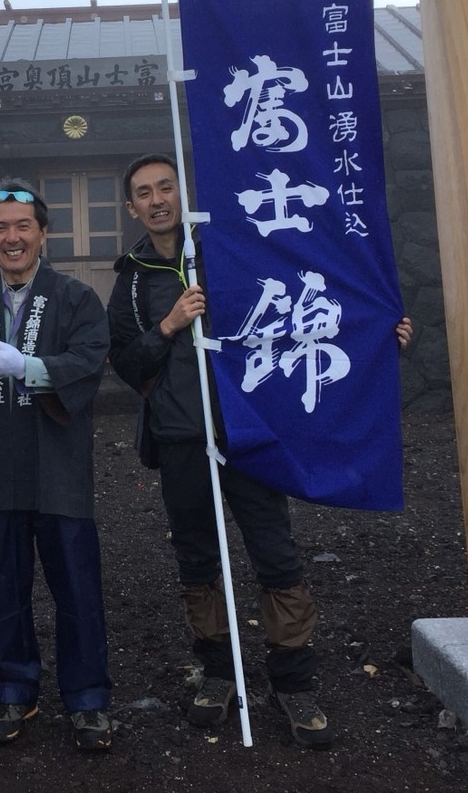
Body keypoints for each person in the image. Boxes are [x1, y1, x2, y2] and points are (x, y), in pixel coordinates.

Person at [106, 153, 412, 748]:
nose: (158, 199)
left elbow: (304, 296)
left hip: (250, 428)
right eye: (144, 192)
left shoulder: (231, 250)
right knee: (198, 558)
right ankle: (218, 674)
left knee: (275, 553)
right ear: (132, 207)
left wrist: (379, 328)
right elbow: (124, 363)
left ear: (181, 190)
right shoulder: (134, 278)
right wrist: (168, 325)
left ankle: (294, 683)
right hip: (180, 437)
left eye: (166, 186)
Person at [0, 179, 114, 751]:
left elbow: (89, 362)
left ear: (42, 233)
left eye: (23, 226)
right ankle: (13, 691)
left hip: (58, 468)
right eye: (0, 227)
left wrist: (28, 365)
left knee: (77, 588)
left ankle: (87, 699)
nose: (12, 238)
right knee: (0, 586)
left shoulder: (76, 298)